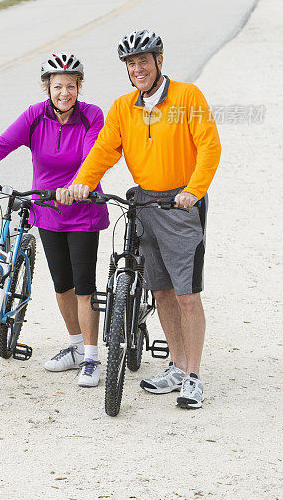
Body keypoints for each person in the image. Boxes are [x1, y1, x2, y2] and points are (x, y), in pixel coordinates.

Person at [57, 30, 221, 409]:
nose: (137, 68)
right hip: (144, 205)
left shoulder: (186, 97)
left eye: (143, 61)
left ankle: (194, 376)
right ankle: (177, 367)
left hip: (182, 206)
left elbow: (209, 146)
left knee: (188, 295)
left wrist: (194, 190)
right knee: (161, 291)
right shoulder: (122, 107)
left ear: (159, 62)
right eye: (131, 64)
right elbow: (103, 151)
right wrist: (82, 182)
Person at [0, 52, 109, 387]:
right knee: (61, 284)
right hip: (46, 211)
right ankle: (76, 347)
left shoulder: (92, 116)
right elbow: (3, 143)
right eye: (57, 86)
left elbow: (95, 156)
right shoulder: (35, 117)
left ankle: (93, 358)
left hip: (82, 210)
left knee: (84, 286)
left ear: (79, 86)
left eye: (70, 85)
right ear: (47, 88)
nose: (64, 92)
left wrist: (77, 186)